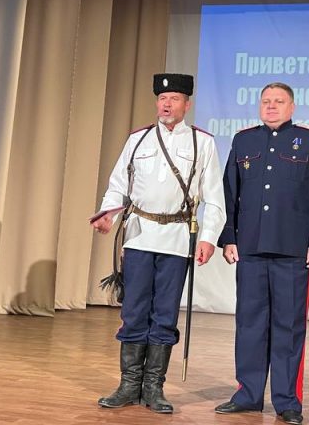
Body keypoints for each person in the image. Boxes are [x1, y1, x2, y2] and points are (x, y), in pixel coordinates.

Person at [92, 73, 226, 413]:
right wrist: (108, 214)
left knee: (164, 313)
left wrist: (208, 238)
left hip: (178, 240)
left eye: (174, 99)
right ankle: (128, 385)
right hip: (139, 236)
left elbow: (214, 197)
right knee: (134, 310)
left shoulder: (202, 143)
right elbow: (118, 184)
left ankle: (153, 387)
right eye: (162, 98)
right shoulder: (138, 139)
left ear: (187, 104)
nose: (166, 104)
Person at [215, 82, 309, 425]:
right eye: (266, 101)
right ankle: (248, 394)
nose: (271, 106)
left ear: (292, 107)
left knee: (288, 326)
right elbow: (229, 193)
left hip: (292, 250)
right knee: (250, 324)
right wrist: (229, 237)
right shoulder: (244, 140)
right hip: (250, 248)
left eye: (278, 101)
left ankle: (287, 401)